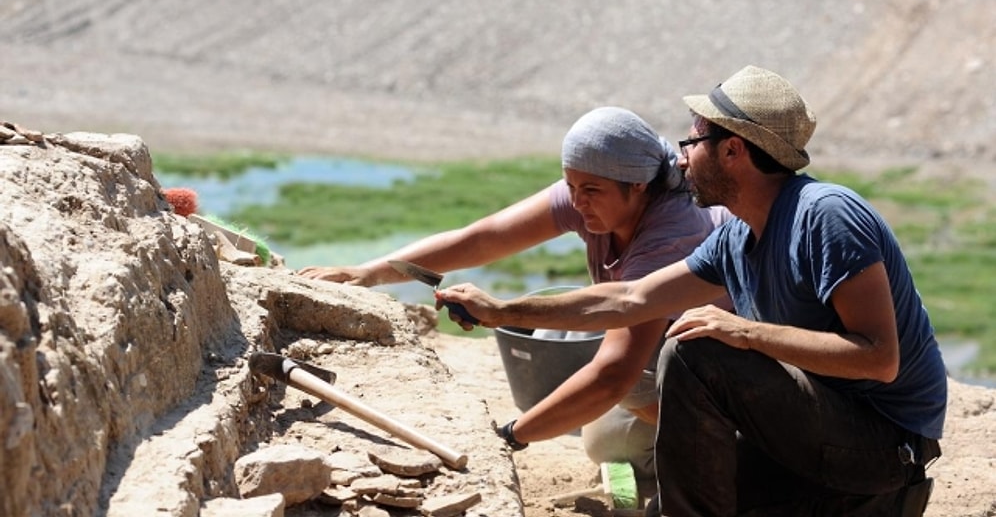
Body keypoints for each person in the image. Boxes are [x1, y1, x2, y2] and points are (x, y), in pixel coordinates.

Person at [437, 66, 947, 516]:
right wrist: (502, 310)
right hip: (813, 433)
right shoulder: (737, 234)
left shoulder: (826, 215)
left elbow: (879, 358)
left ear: (732, 150)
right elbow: (630, 300)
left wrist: (746, 333)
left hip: (884, 445)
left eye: (691, 144)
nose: (681, 162)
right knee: (671, 502)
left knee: (692, 350)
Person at [299, 106, 732, 478]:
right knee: (606, 442)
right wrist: (370, 272)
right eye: (570, 187)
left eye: (589, 191)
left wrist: (509, 436)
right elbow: (483, 239)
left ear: (637, 184)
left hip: (723, 362)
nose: (576, 203)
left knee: (626, 383)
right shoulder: (596, 191)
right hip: (666, 341)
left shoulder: (671, 236)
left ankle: (730, 444)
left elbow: (613, 373)